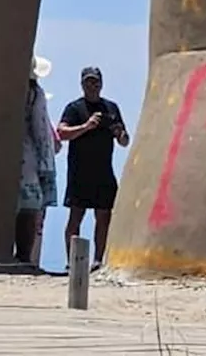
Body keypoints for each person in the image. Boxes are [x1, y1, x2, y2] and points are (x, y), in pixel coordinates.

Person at [57, 66, 129, 272]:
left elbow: (125, 141)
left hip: (104, 171)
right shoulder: (74, 108)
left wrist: (119, 133)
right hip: (79, 171)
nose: (92, 85)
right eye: (88, 81)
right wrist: (86, 126)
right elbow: (61, 132)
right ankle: (72, 262)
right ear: (82, 84)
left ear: (101, 83)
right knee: (75, 216)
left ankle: (98, 261)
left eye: (95, 81)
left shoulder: (111, 108)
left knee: (104, 216)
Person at [16, 55, 60, 267]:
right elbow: (41, 129)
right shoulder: (35, 94)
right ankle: (24, 256)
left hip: (11, 151)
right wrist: (46, 164)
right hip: (27, 154)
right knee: (30, 207)